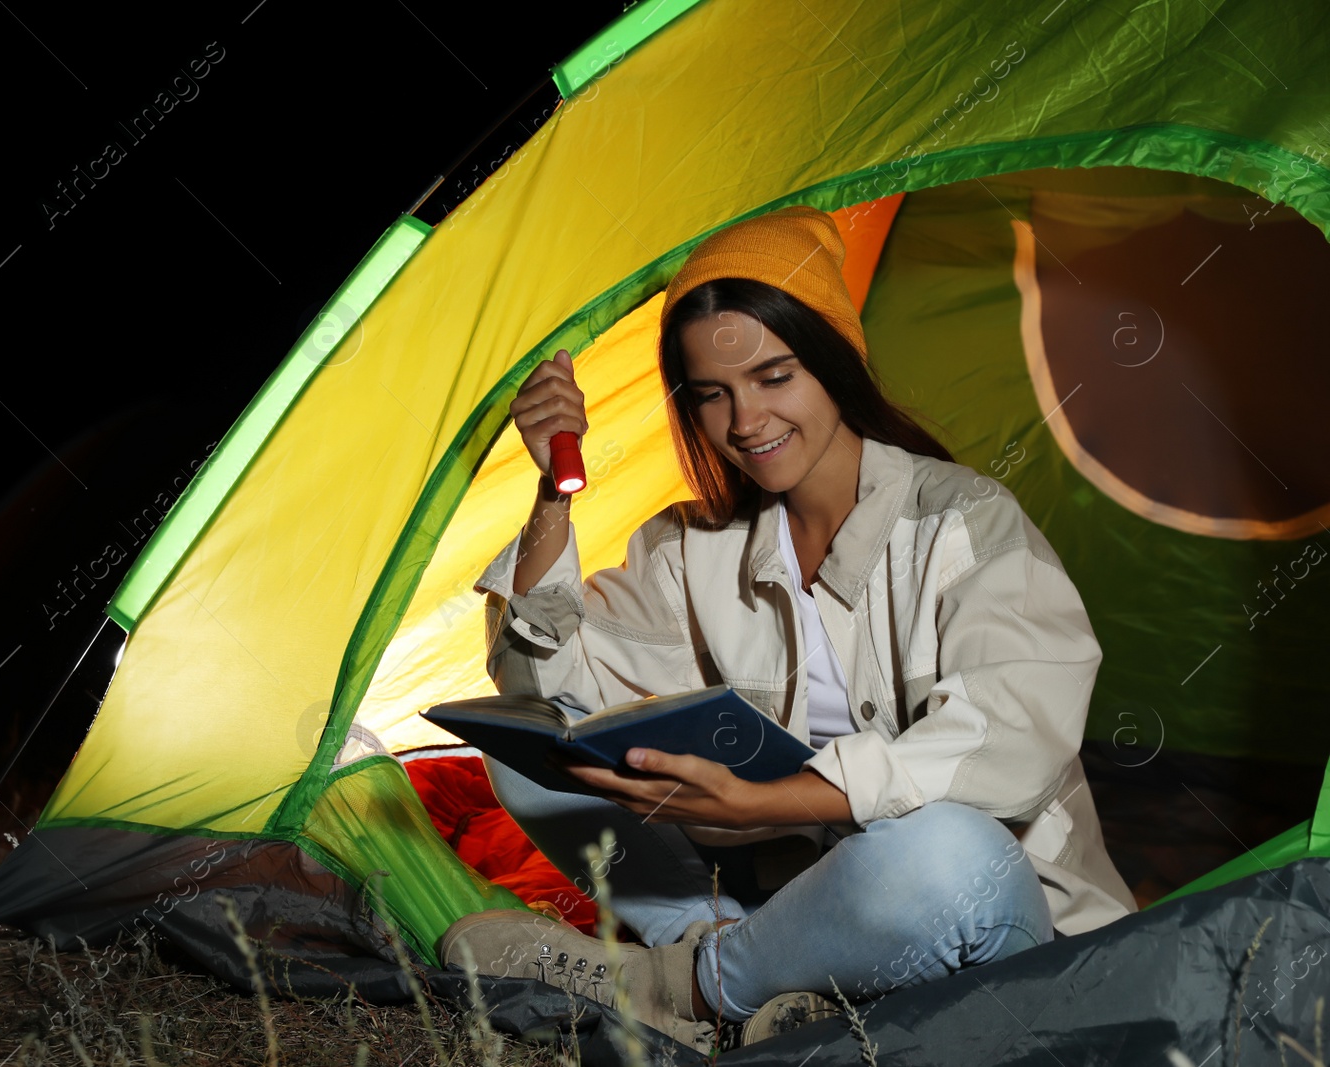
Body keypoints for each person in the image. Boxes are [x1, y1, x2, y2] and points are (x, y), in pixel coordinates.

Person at [441, 206, 1137, 1050]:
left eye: (776, 377)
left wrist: (764, 801)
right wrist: (555, 490)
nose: (745, 422)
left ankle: (681, 988)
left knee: (947, 851)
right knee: (536, 749)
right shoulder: (685, 548)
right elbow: (541, 677)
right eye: (712, 395)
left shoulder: (963, 521)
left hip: (991, 925)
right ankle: (756, 981)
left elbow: (1011, 742)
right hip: (786, 902)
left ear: (838, 364)